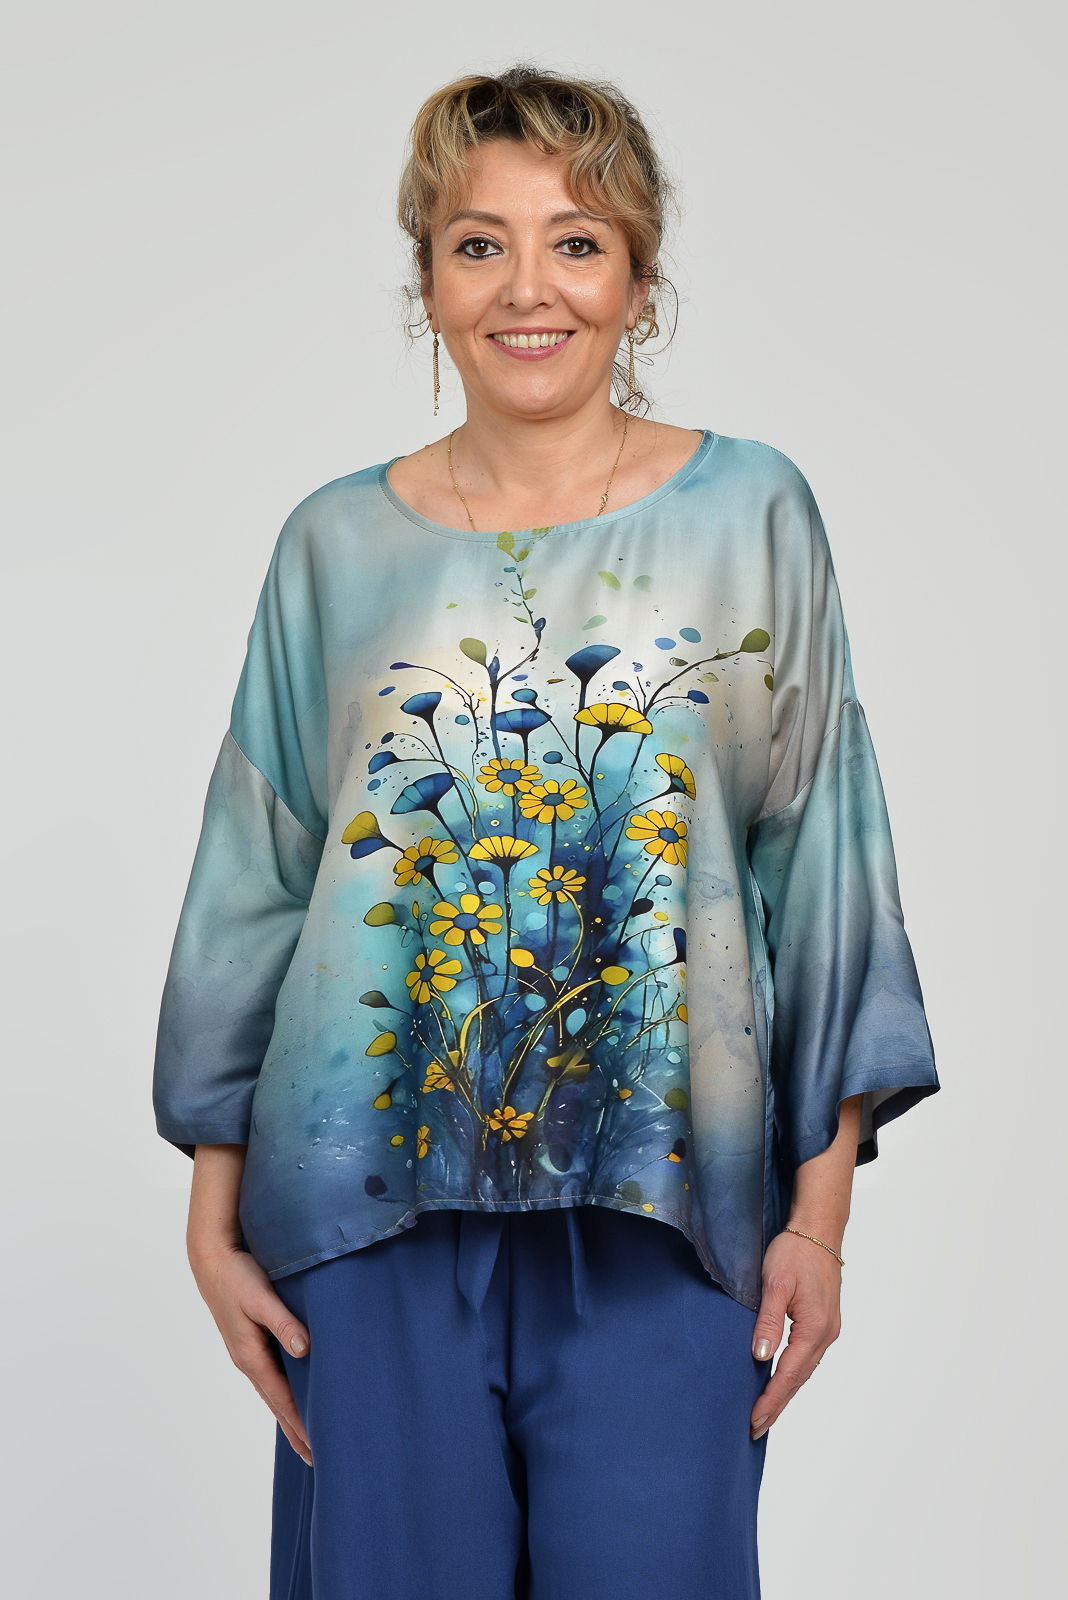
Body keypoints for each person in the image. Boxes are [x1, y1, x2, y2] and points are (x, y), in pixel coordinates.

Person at [152, 64, 940, 1600]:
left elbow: (824, 870)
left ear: (639, 276)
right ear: (428, 282)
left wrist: (821, 1222)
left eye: (576, 242)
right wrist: (211, 1222)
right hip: (364, 1212)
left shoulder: (752, 514)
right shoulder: (333, 544)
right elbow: (257, 881)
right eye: (479, 243)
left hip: (672, 1205)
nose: (529, 288)